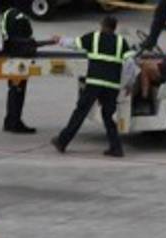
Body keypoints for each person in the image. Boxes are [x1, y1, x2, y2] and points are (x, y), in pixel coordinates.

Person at [51, 16, 135, 158]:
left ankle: (62, 141)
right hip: (111, 86)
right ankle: (116, 148)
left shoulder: (94, 37)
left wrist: (60, 40)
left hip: (94, 83)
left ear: (102, 25)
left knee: (80, 112)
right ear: (114, 27)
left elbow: (74, 43)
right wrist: (129, 84)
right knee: (108, 116)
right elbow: (130, 64)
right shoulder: (121, 42)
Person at [0, 0, 56, 133]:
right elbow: (27, 35)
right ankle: (15, 123)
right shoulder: (19, 16)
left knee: (14, 89)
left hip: (12, 55)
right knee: (18, 90)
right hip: (19, 58)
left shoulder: (8, 14)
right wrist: (38, 43)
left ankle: (10, 121)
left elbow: (9, 38)